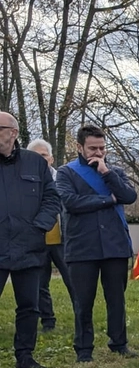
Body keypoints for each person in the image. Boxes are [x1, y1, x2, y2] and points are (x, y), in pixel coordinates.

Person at [56, 125, 139, 362]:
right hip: (82, 246)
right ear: (80, 147)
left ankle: (119, 343)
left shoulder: (115, 171)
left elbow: (129, 196)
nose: (98, 152)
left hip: (114, 245)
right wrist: (107, 200)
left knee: (116, 299)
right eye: (93, 148)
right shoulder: (66, 173)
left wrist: (106, 173)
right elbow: (71, 203)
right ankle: (83, 349)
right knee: (83, 301)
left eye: (102, 148)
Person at [0, 113, 61, 368]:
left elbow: (52, 199)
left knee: (29, 306)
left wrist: (39, 227)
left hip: (29, 245)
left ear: (12, 133)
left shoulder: (35, 163)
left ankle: (25, 357)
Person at [27, 139, 75, 335]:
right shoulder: (26, 181)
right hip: (37, 240)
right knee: (40, 284)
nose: (40, 159)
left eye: (44, 155)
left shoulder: (63, 179)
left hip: (63, 240)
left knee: (73, 281)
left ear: (52, 158)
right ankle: (47, 321)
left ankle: (82, 318)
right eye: (36, 156)